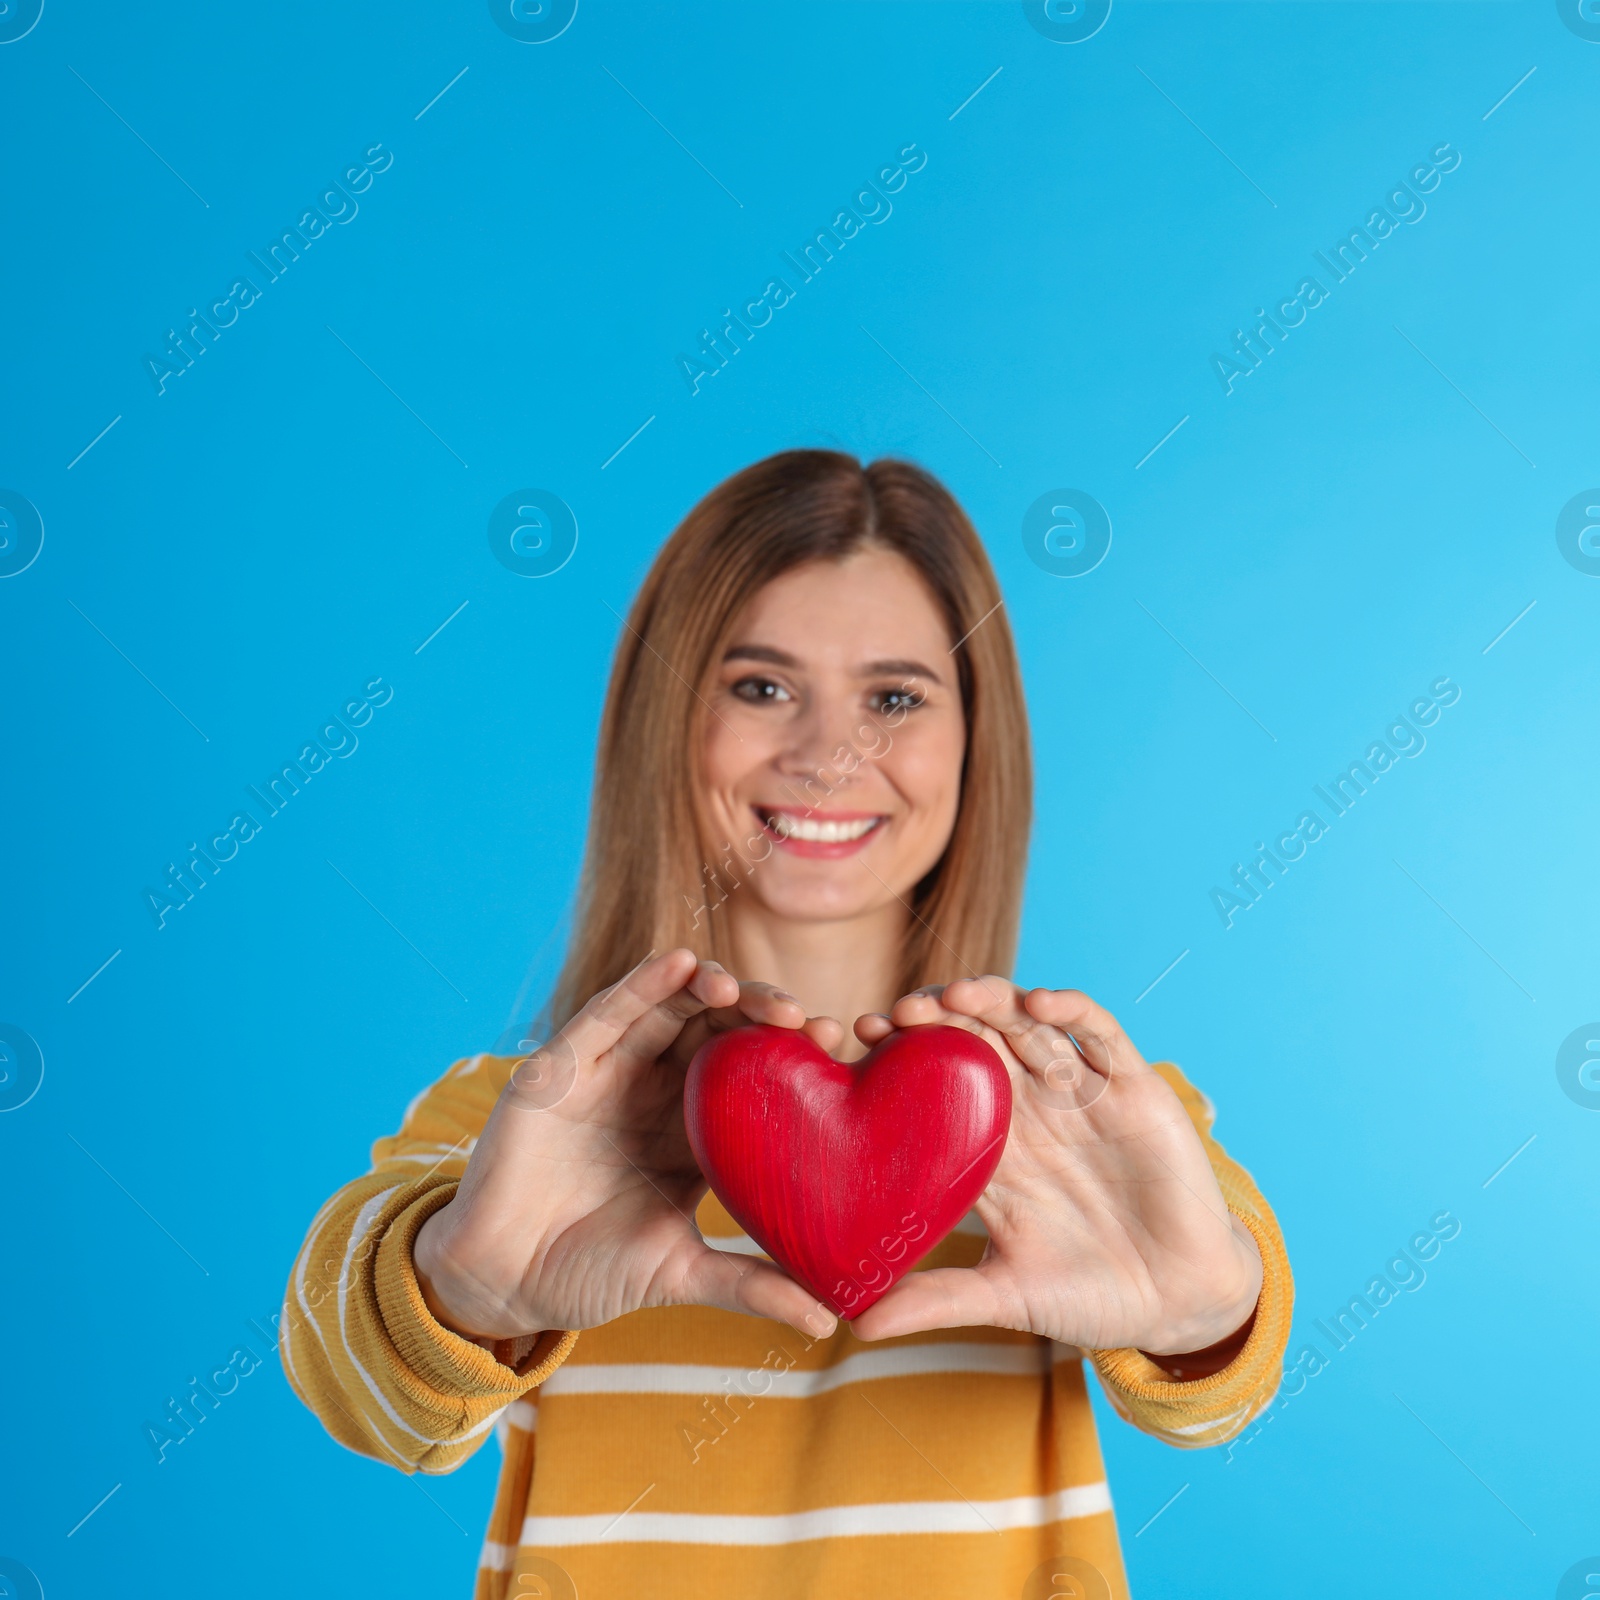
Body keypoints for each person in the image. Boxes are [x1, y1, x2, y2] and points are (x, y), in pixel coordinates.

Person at [282, 450, 1292, 1600]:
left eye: (895, 697)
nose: (828, 755)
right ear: (670, 718)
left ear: (976, 742)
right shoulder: (522, 1120)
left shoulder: (1086, 1128)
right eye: (760, 686)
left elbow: (1222, 1380)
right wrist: (459, 1285)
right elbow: (352, 1381)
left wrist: (1211, 1311)